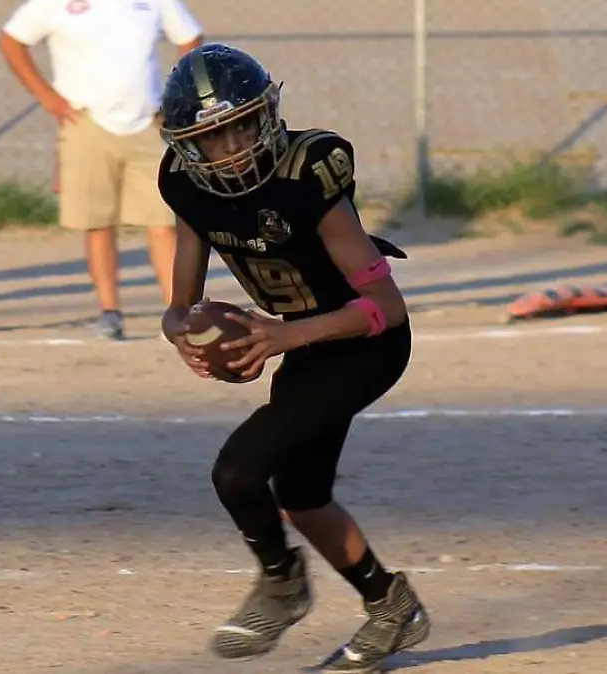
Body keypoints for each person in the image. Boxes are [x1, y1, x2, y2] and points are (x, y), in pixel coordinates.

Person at [156, 44, 431, 672]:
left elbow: (387, 308)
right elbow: (178, 307)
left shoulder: (307, 176)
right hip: (304, 345)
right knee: (302, 496)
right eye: (211, 136)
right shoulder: (186, 186)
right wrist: (185, 335)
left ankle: (282, 583)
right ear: (186, 145)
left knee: (238, 471)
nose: (230, 148)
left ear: (267, 115)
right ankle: (391, 606)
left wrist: (286, 336)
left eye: (240, 127)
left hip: (364, 344)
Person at [0, 0, 204, 340]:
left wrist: (176, 96)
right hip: (86, 121)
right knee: (98, 223)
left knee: (164, 222)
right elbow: (11, 41)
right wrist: (48, 97)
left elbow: (190, 37)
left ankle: (177, 310)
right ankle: (110, 311)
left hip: (150, 122)